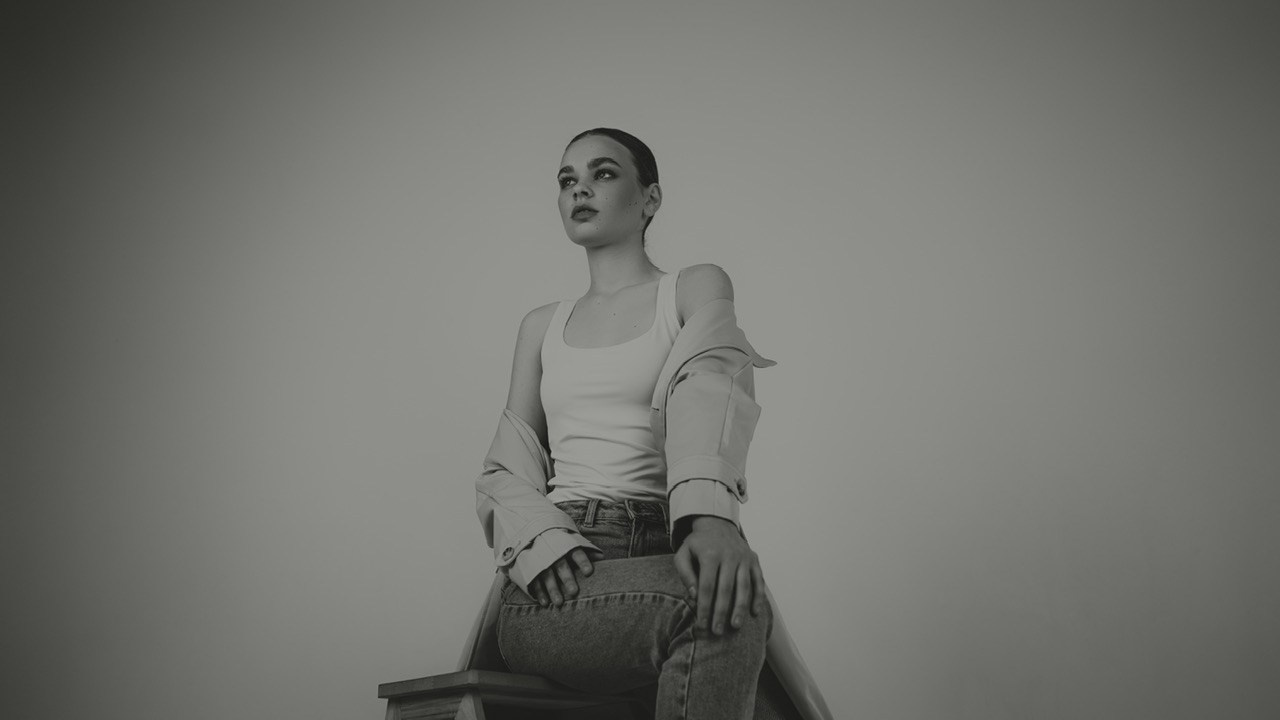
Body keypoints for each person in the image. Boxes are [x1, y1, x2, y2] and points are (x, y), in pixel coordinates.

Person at [472, 128, 830, 720]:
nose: (579, 189)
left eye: (603, 173)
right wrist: (541, 542)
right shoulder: (540, 325)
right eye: (566, 180)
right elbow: (504, 469)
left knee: (732, 607)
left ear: (651, 198)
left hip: (674, 542)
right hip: (563, 569)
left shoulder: (691, 288)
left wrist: (711, 521)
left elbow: (708, 390)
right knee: (718, 609)